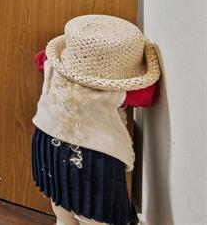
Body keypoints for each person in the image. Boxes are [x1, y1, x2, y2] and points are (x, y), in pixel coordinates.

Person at [30, 15, 160, 225]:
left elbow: (40, 59)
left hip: (48, 144)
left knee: (61, 204)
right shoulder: (117, 93)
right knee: (96, 216)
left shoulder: (50, 64)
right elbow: (148, 96)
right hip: (93, 157)